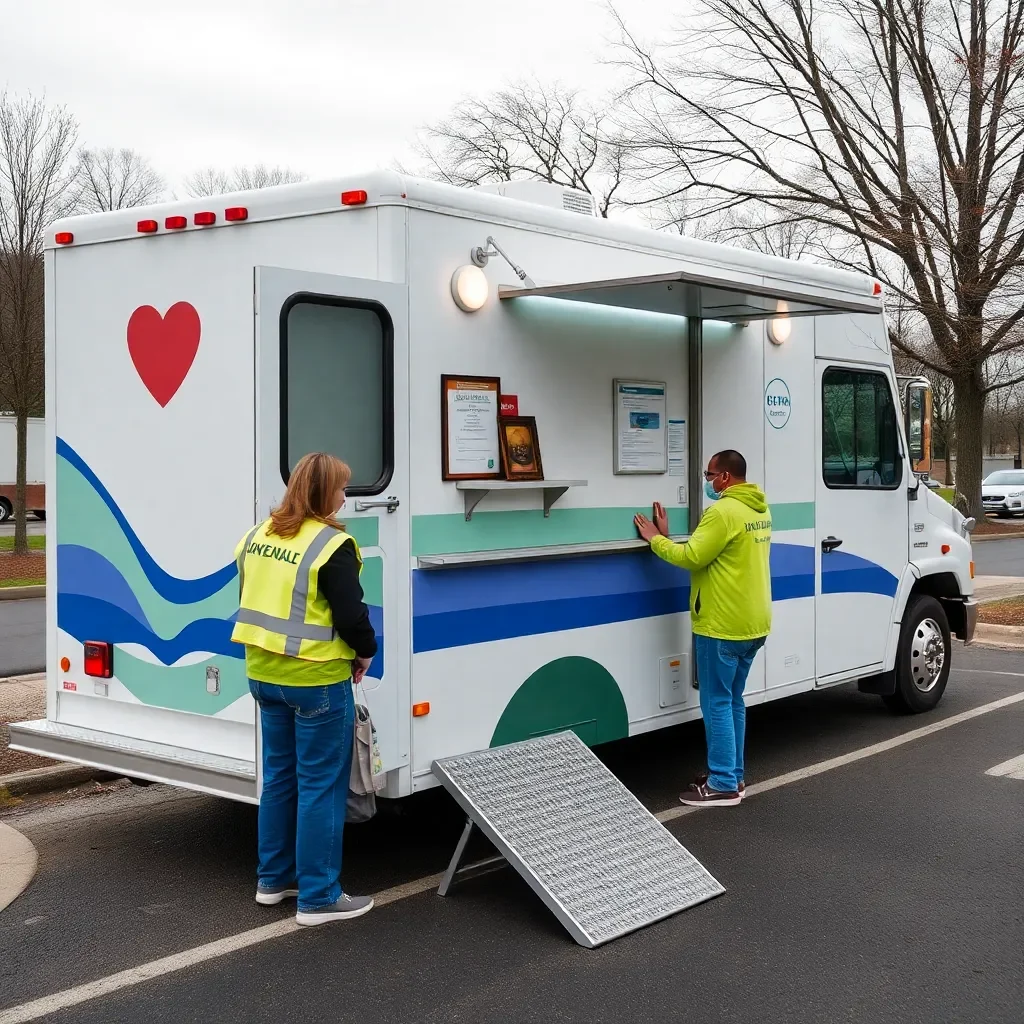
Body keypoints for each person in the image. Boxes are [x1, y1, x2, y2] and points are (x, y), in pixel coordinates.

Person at [231, 452, 378, 925]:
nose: (344, 497)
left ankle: (272, 881)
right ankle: (318, 897)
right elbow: (351, 616)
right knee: (320, 786)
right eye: (340, 488)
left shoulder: (257, 536)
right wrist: (365, 652)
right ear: (322, 493)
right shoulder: (333, 545)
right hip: (315, 680)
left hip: (263, 677)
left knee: (279, 778)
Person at [634, 449, 772, 807]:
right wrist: (674, 537)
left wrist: (655, 539)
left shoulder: (722, 511)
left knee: (715, 702)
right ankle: (733, 774)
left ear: (725, 477)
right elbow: (711, 553)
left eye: (709, 475)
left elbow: (692, 557)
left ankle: (723, 783)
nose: (707, 482)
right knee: (733, 699)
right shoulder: (758, 508)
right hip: (753, 624)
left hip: (721, 625)